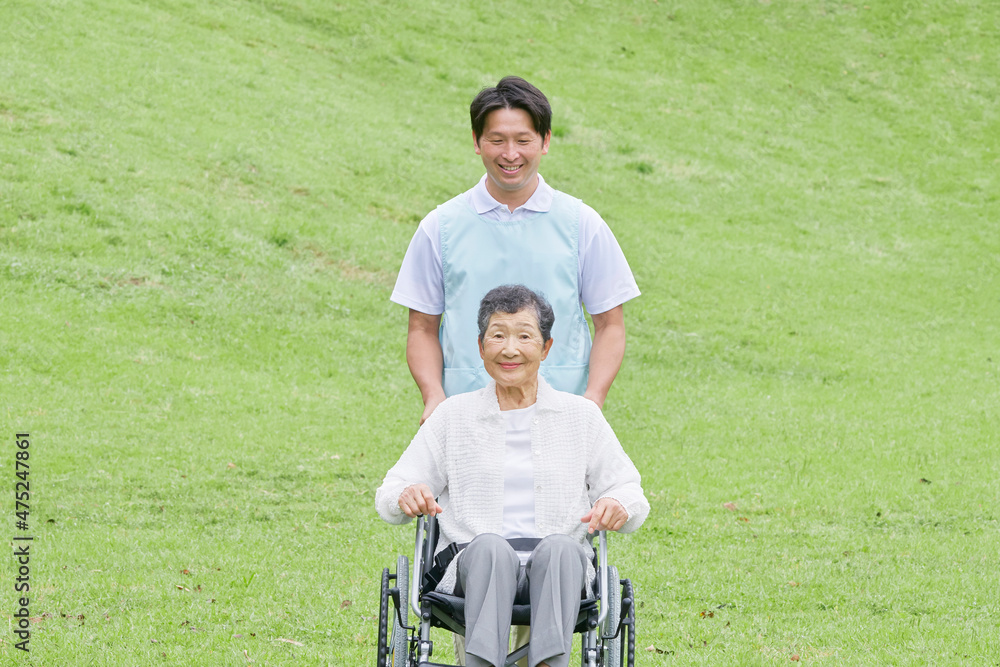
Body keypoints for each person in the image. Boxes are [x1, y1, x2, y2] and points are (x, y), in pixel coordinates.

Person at [376, 285, 649, 667]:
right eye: (498, 335)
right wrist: (407, 495)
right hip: (473, 566)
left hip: (561, 568)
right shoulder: (453, 416)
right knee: (490, 549)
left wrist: (617, 504)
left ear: (546, 347)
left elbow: (629, 492)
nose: (509, 349)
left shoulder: (581, 417)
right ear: (481, 345)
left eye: (524, 336)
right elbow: (392, 490)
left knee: (560, 548)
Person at [390, 76, 640, 424]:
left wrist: (593, 400)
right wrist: (434, 396)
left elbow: (610, 324)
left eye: (523, 140)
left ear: (545, 141)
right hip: (466, 415)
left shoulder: (582, 224)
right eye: (497, 140)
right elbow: (421, 328)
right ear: (477, 142)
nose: (510, 154)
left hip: (562, 415)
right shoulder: (440, 227)